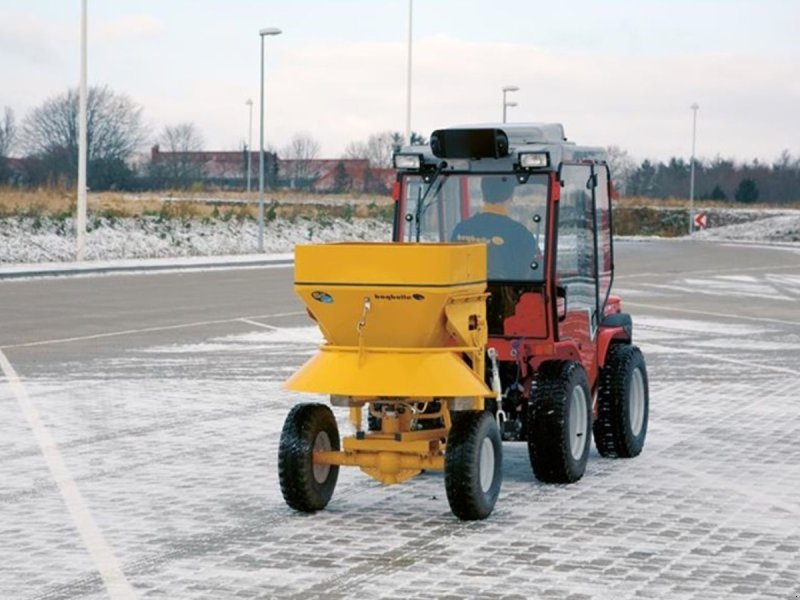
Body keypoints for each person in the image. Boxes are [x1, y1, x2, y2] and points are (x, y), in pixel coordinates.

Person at [451, 175, 540, 280]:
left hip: (466, 295)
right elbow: (530, 277)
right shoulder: (521, 235)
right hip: (507, 296)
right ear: (511, 196)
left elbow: (452, 269)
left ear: (483, 195)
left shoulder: (461, 229)